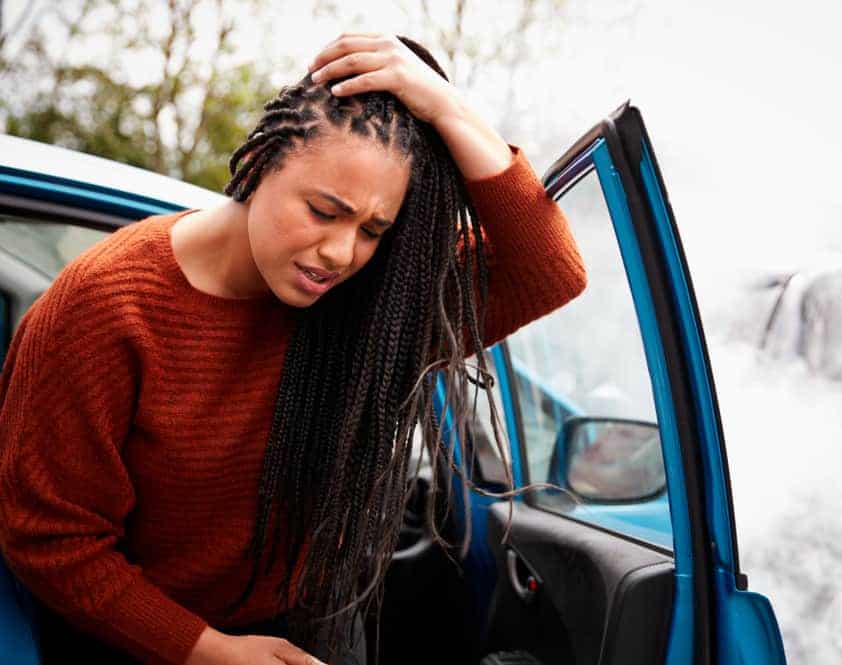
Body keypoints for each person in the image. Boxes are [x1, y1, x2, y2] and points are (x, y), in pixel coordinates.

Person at [0, 33, 586, 665]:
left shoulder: (367, 305)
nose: (340, 253)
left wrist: (448, 108)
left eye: (371, 230)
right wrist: (214, 653)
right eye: (322, 210)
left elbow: (549, 269)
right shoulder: (105, 306)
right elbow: (52, 541)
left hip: (312, 624)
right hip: (144, 640)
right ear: (260, 160)